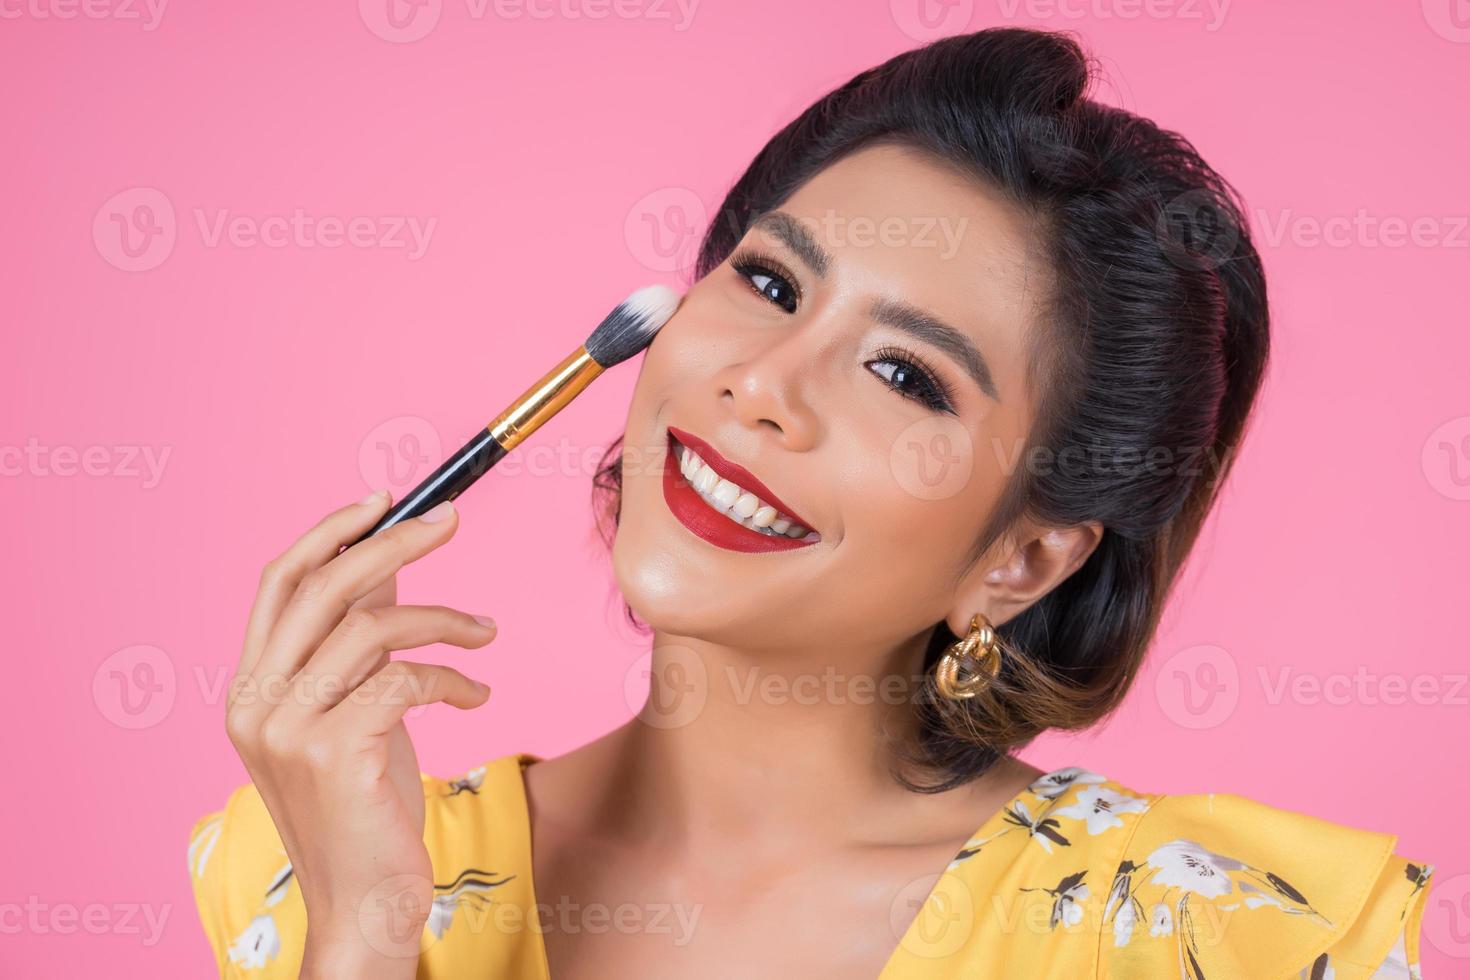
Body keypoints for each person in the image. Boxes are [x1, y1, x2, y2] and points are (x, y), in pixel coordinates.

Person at [188, 27, 1433, 979]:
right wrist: (364, 932)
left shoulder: (1207, 934)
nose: (764, 385)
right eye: (775, 283)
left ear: (1025, 557)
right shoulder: (314, 869)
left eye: (906, 374)